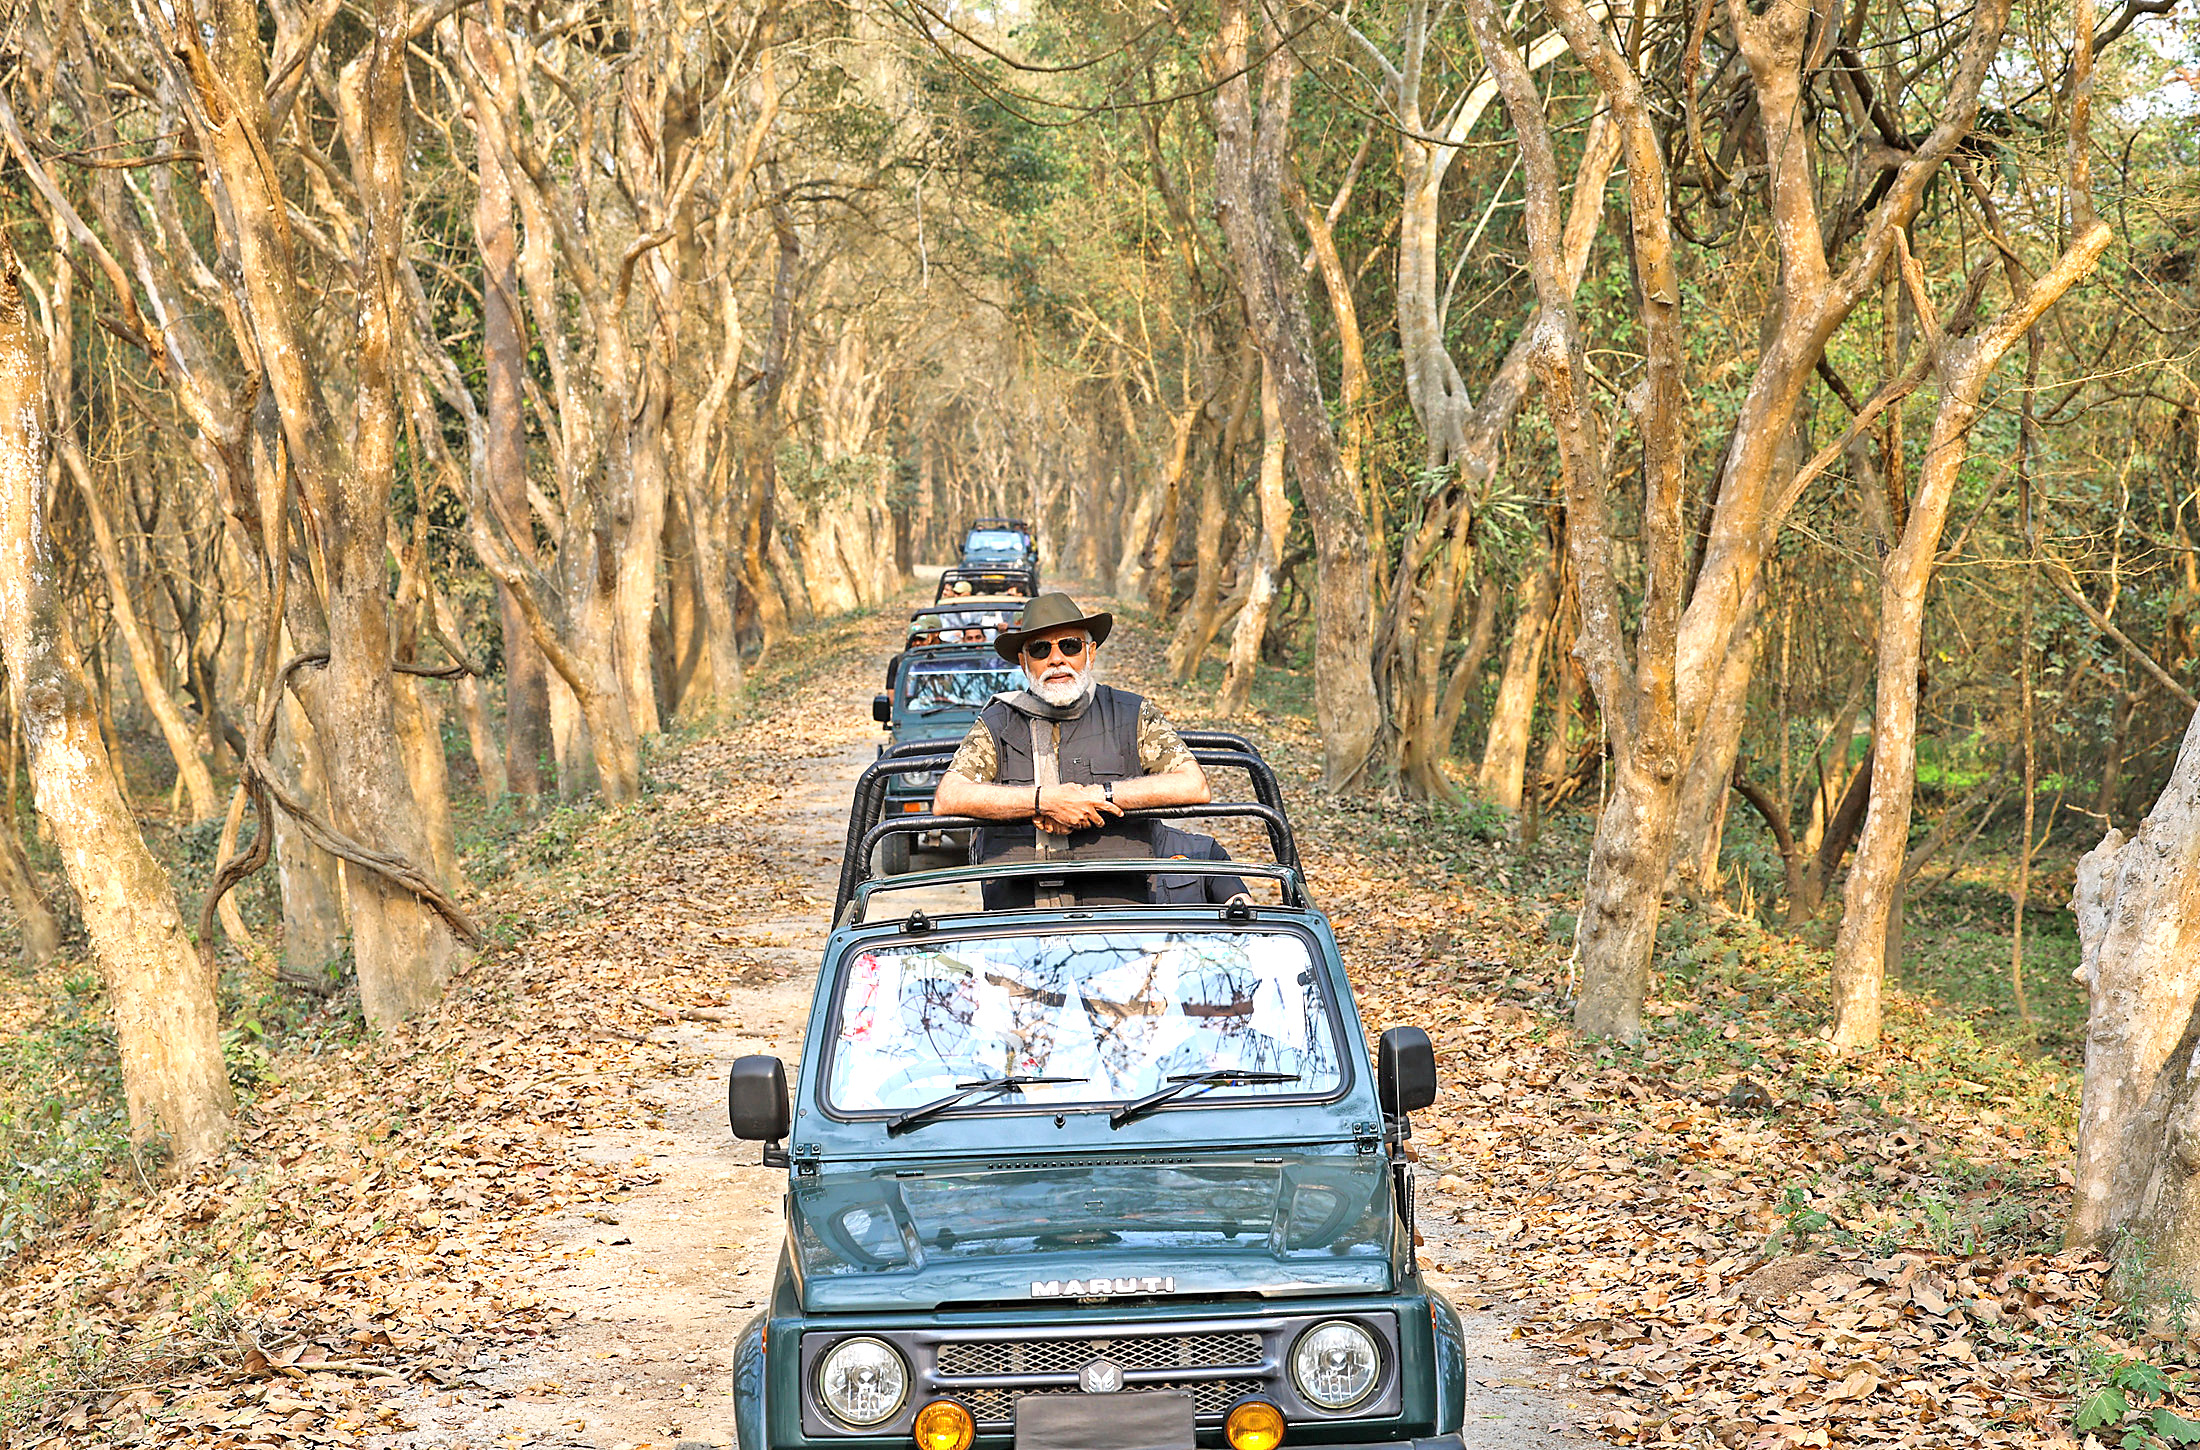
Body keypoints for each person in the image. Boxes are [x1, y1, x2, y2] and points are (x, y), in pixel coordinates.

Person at [934, 592, 1210, 905]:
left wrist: (1099, 796)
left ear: (1090, 653)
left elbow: (1193, 784)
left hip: (1122, 917)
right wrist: (1043, 801)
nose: (1056, 659)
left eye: (1070, 645)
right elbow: (950, 795)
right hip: (1016, 923)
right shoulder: (999, 722)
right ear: (1024, 662)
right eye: (1040, 649)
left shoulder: (1132, 714)